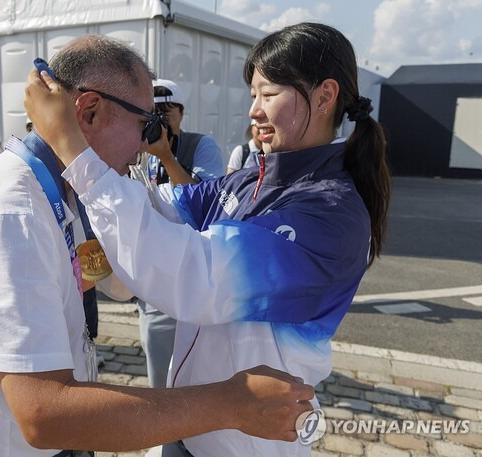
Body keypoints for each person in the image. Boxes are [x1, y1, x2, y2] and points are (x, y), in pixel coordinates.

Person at [0, 35, 313, 456]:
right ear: (89, 110)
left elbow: (94, 276)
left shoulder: (54, 191)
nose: (145, 144)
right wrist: (231, 403)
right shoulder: (13, 217)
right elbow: (44, 415)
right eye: (143, 123)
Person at [25, 21, 391, 457]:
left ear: (325, 96)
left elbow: (199, 278)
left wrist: (75, 151)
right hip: (192, 426)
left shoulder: (330, 212)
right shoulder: (243, 183)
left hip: (249, 442)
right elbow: (156, 209)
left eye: (269, 95)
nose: (255, 110)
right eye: (253, 95)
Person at [138, 79, 225, 388]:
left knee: (197, 368)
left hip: (194, 272)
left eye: (166, 111)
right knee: (158, 366)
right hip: (157, 271)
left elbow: (208, 203)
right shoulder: (143, 151)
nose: (159, 119)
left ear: (182, 112)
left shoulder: (202, 146)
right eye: (152, 112)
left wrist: (167, 156)